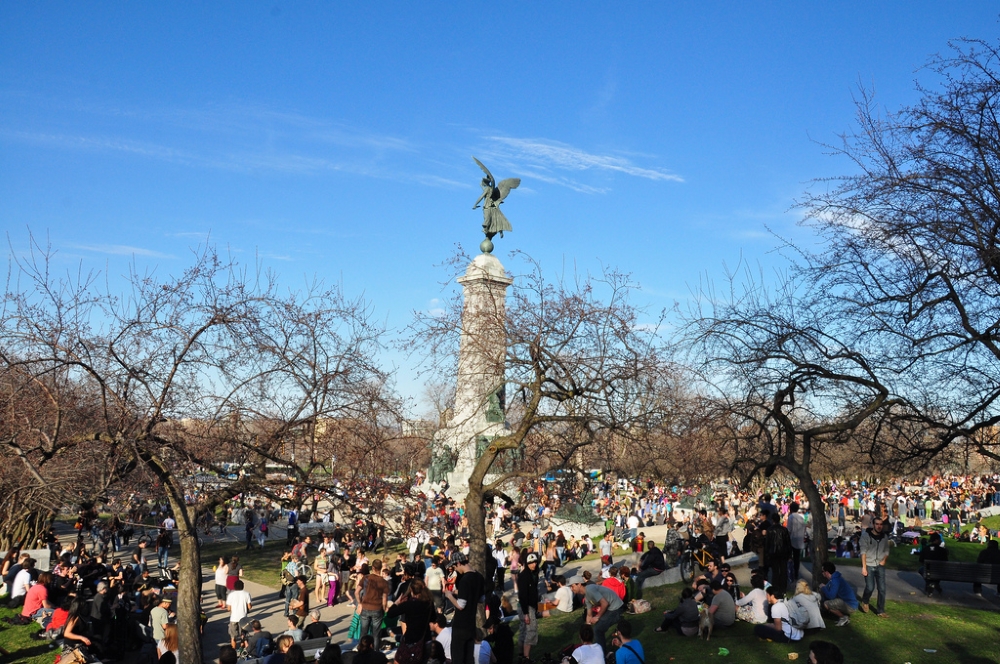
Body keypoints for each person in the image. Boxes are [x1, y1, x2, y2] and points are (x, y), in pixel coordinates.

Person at [445, 552, 485, 664]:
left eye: (454, 567)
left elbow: (460, 605)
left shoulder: (465, 580)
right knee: (469, 658)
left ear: (458, 563)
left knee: (458, 658)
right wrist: (460, 592)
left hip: (460, 625)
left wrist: (449, 595)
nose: (455, 570)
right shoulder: (479, 577)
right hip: (471, 625)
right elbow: (481, 599)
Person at [570, 575, 624, 651]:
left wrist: (597, 617)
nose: (571, 589)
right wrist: (585, 631)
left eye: (572, 586)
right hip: (611, 608)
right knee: (598, 628)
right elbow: (589, 615)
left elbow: (604, 603)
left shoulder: (590, 589)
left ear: (579, 584)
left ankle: (602, 654)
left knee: (597, 629)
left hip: (617, 608)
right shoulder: (586, 596)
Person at [859, 516, 890, 617]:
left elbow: (887, 550)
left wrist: (884, 560)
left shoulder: (884, 537)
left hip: (880, 565)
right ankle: (865, 600)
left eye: (881, 524)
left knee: (882, 589)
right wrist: (864, 567)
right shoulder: (865, 536)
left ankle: (880, 610)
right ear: (873, 524)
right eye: (877, 524)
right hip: (869, 564)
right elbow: (863, 552)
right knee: (870, 587)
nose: (879, 526)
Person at [356, 560, 390, 646]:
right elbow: (385, 598)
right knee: (376, 634)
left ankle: (362, 651)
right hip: (377, 608)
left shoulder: (366, 578)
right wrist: (384, 607)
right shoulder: (384, 582)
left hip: (365, 607)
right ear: (381, 568)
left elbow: (356, 592)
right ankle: (375, 652)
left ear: (373, 568)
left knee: (363, 633)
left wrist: (360, 603)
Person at [517, 552, 541, 661]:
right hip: (525, 606)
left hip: (530, 605)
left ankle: (521, 656)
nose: (533, 564)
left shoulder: (534, 573)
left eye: (535, 562)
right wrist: (526, 613)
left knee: (524, 630)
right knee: (530, 631)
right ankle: (526, 658)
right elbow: (523, 595)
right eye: (530, 563)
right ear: (527, 563)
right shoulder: (524, 576)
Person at [818, 561, 858, 626]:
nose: (822, 573)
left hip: (850, 605)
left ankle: (843, 618)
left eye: (823, 571)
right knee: (827, 602)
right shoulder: (834, 579)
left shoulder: (835, 581)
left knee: (827, 604)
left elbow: (831, 596)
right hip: (847, 602)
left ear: (827, 572)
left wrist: (823, 588)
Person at [226, 579, 253, 649]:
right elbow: (249, 607)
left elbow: (228, 608)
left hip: (234, 618)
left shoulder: (231, 595)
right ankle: (242, 648)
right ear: (243, 586)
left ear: (234, 587)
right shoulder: (247, 594)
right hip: (243, 618)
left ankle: (233, 649)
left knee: (233, 636)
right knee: (243, 635)